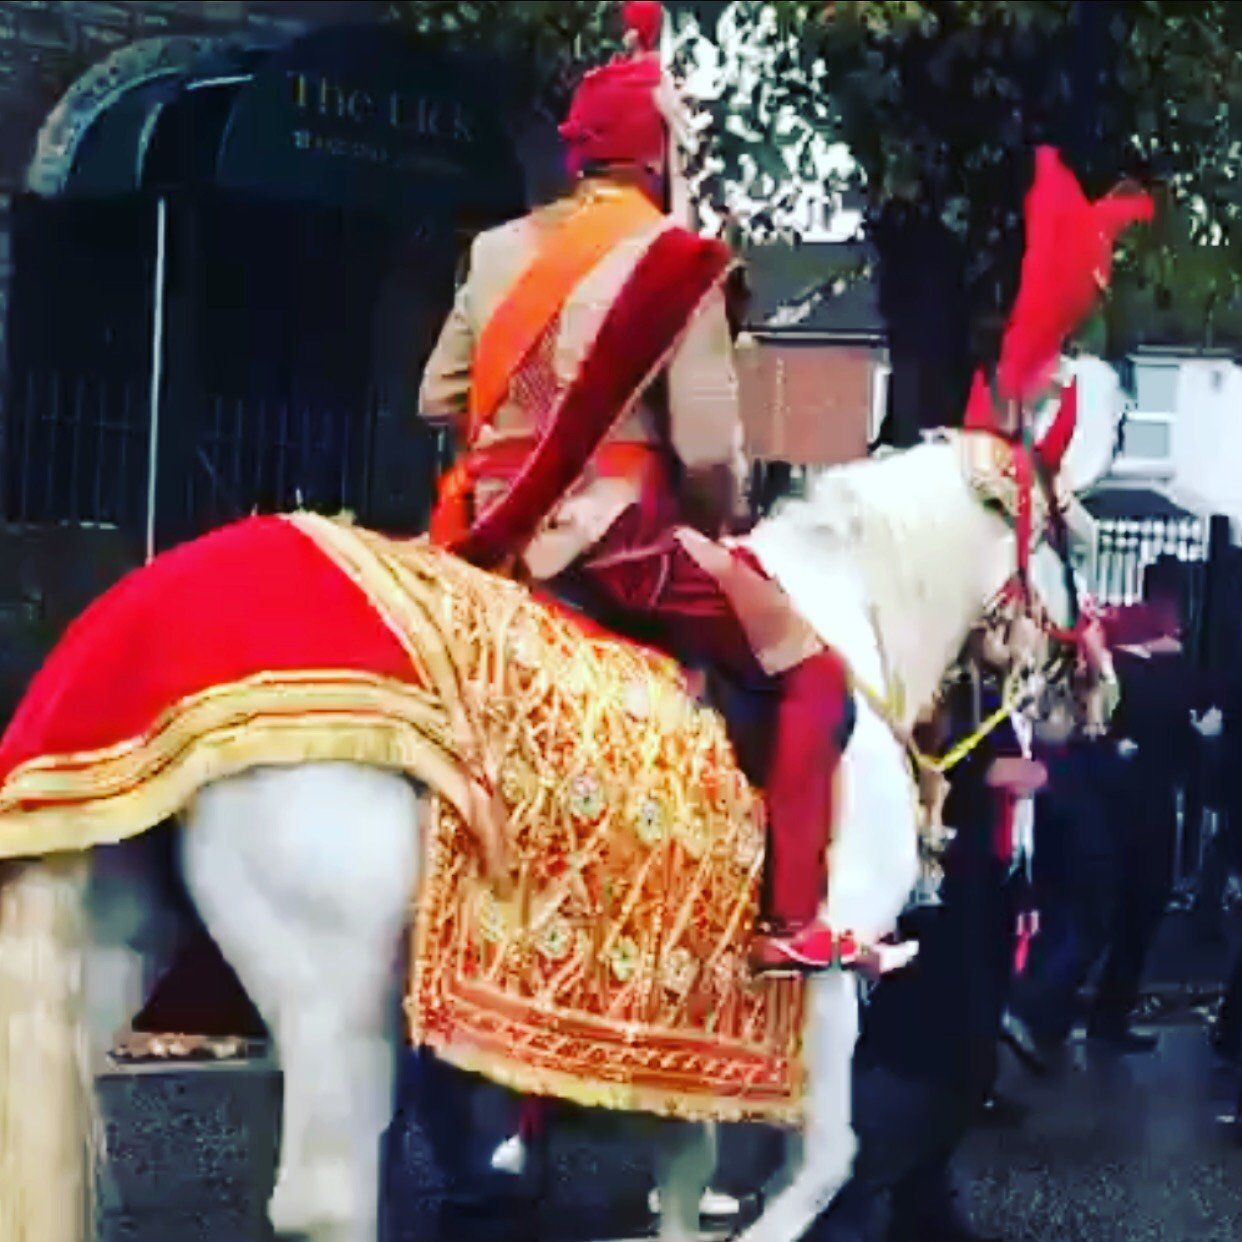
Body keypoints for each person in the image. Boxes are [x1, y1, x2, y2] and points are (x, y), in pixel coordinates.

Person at [417, 0, 853, 973]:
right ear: (660, 160)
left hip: (480, 532)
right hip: (611, 544)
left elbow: (436, 394)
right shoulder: (674, 261)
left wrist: (526, 424)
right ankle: (789, 925)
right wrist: (717, 518)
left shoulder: (496, 251)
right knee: (817, 678)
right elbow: (705, 452)